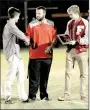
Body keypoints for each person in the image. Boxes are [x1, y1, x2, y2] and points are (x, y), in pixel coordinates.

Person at [58, 5, 88, 101]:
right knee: (68, 73)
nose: (69, 16)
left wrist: (77, 41)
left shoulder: (86, 22)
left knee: (84, 74)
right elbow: (67, 34)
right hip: (70, 50)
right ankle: (67, 95)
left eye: (70, 14)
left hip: (81, 51)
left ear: (76, 13)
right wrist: (65, 39)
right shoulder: (69, 22)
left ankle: (83, 95)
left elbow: (88, 39)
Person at [26, 6, 56, 100]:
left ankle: (44, 95)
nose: (37, 15)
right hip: (34, 55)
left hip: (48, 56)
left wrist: (51, 47)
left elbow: (54, 38)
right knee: (34, 78)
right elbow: (27, 37)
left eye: (39, 13)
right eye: (36, 13)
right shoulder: (31, 24)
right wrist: (26, 40)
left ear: (44, 13)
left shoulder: (51, 24)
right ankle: (32, 96)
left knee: (44, 78)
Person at [2, 7, 29, 104]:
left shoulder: (11, 25)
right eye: (18, 16)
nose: (19, 18)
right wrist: (27, 40)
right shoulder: (10, 26)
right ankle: (7, 97)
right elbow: (20, 34)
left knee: (21, 76)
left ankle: (23, 97)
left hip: (16, 54)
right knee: (10, 76)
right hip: (12, 54)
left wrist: (25, 40)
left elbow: (18, 37)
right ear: (16, 16)